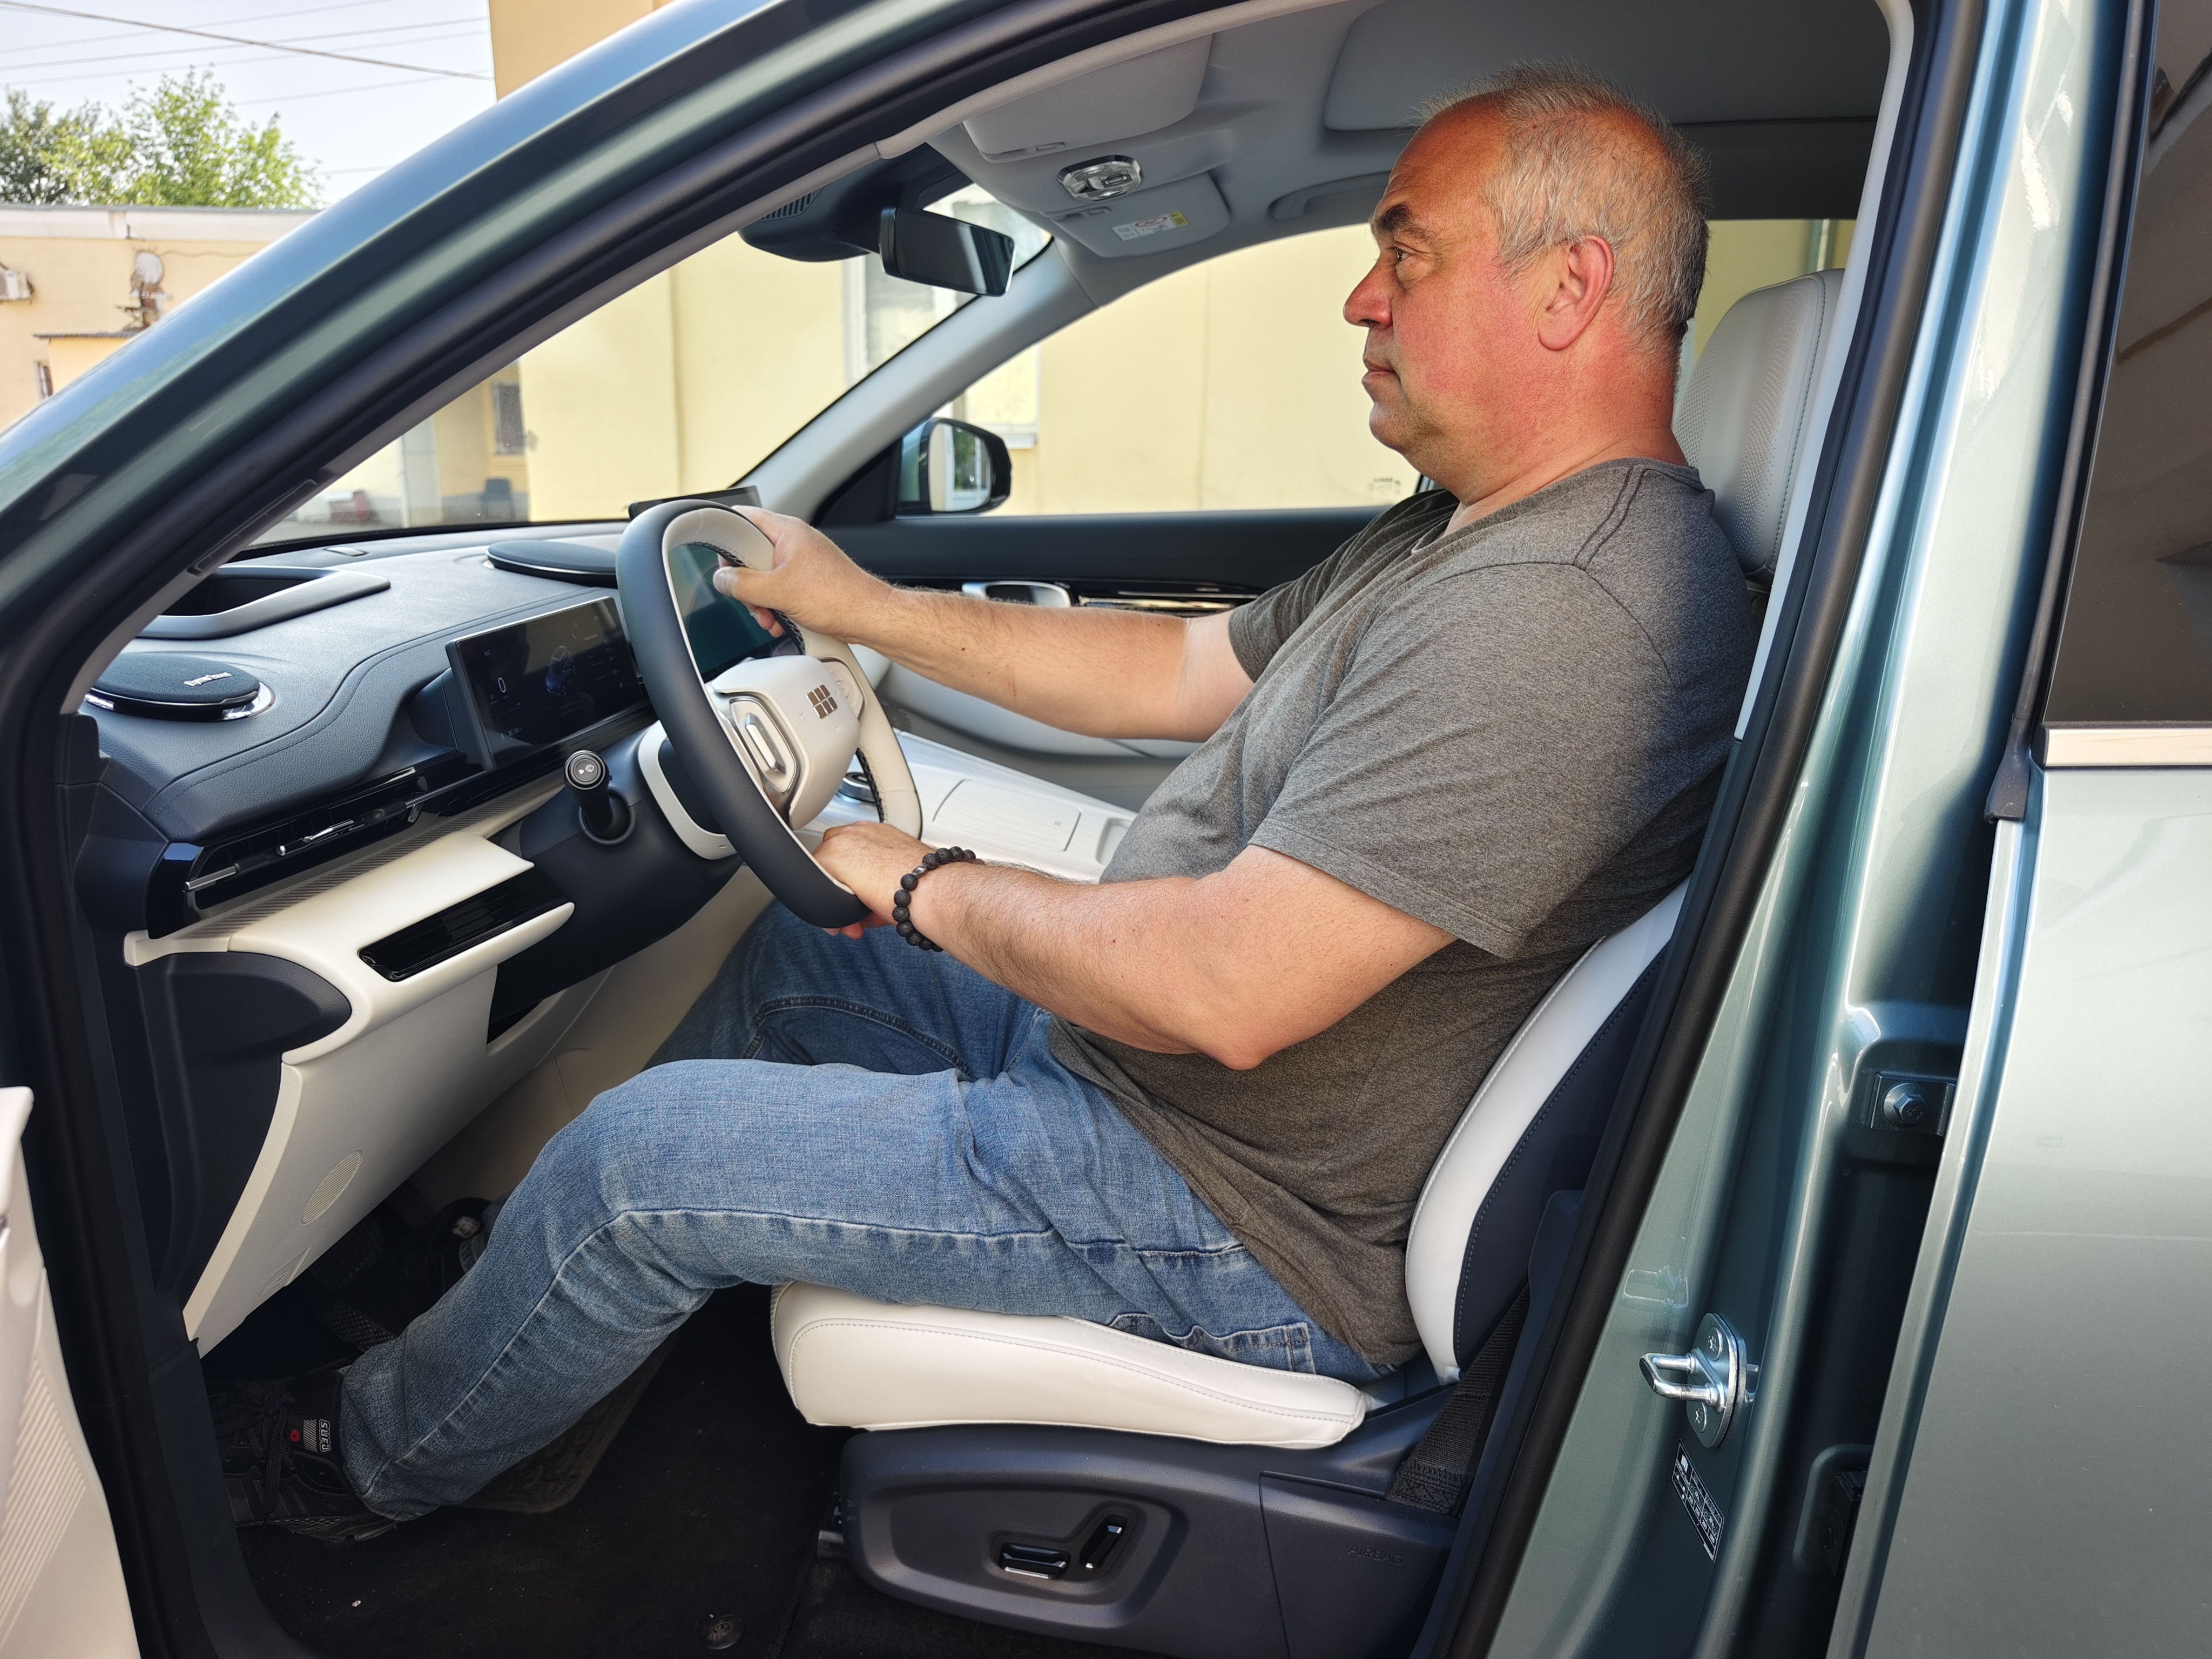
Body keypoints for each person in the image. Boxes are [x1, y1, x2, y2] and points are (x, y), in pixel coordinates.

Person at [222, 61, 1757, 1540]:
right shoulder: (1466, 535)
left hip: (1240, 1218)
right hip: (1154, 1097)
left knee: (640, 1165)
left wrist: (923, 883)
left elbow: (1223, 991)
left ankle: (363, 1466)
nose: (1363, 298)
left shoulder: (1563, 612)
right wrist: (859, 602)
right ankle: (523, 1370)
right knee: (802, 957)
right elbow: (1175, 670)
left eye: (1406, 253)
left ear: (1568, 290)